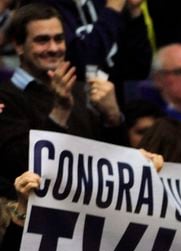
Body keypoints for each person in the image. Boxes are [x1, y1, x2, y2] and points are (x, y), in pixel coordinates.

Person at [0, 3, 125, 194]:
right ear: (19, 46)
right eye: (42, 40)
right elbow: (22, 166)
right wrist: (59, 111)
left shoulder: (81, 90)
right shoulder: (5, 98)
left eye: (59, 39)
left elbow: (113, 167)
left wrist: (113, 118)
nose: (53, 48)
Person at [37, 0, 151, 82]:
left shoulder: (104, 3)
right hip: (72, 105)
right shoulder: (44, 7)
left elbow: (139, 69)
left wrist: (134, 11)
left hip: (115, 106)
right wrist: (112, 9)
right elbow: (81, 65)